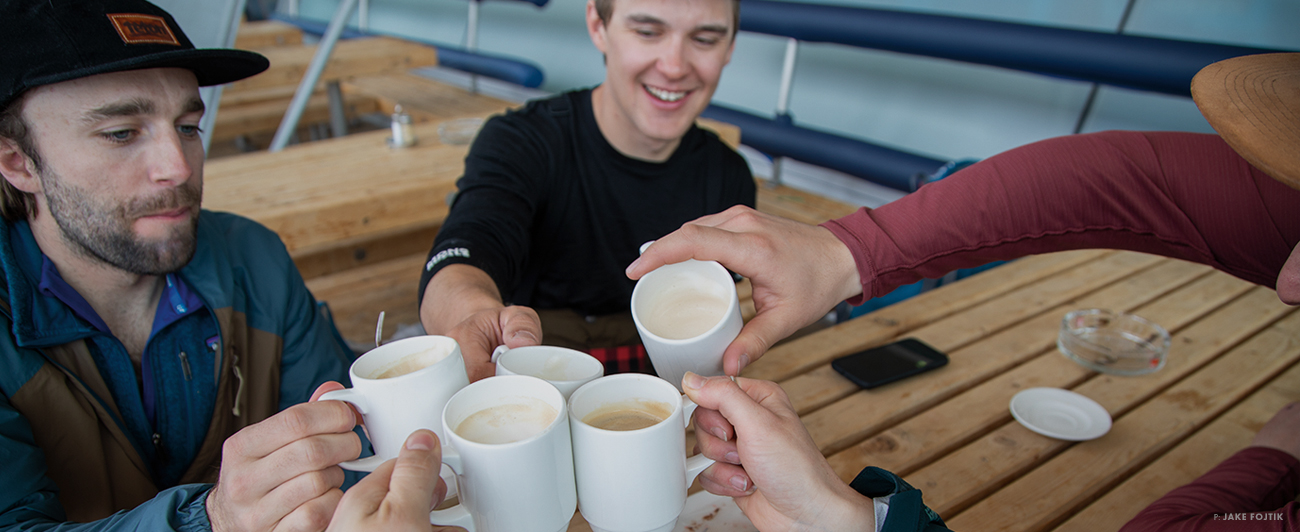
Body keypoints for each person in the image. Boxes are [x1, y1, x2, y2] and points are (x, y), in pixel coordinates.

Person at [626, 52, 1300, 530]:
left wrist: (1269, 459)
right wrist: (849, 250)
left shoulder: (720, 166)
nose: (1289, 280)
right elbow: (1121, 181)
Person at [0, 1, 367, 529]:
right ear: (18, 162)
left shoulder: (254, 258)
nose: (178, 167)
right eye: (122, 133)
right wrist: (210, 520)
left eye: (189, 126)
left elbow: (352, 455)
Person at [418, 0, 756, 381]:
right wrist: (470, 315)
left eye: (705, 38)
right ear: (598, 25)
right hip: (533, 371)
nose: (674, 66)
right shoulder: (522, 141)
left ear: (729, 47)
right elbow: (468, 245)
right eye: (647, 32)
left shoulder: (730, 177)